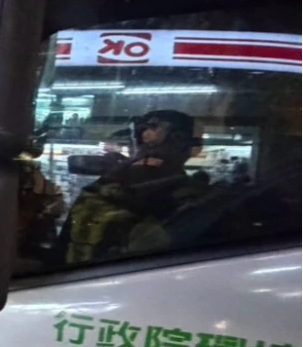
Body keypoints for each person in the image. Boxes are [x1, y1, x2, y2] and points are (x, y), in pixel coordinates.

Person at [56, 108, 212, 266]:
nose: (146, 135)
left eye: (154, 131)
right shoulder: (107, 186)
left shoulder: (188, 200)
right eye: (143, 134)